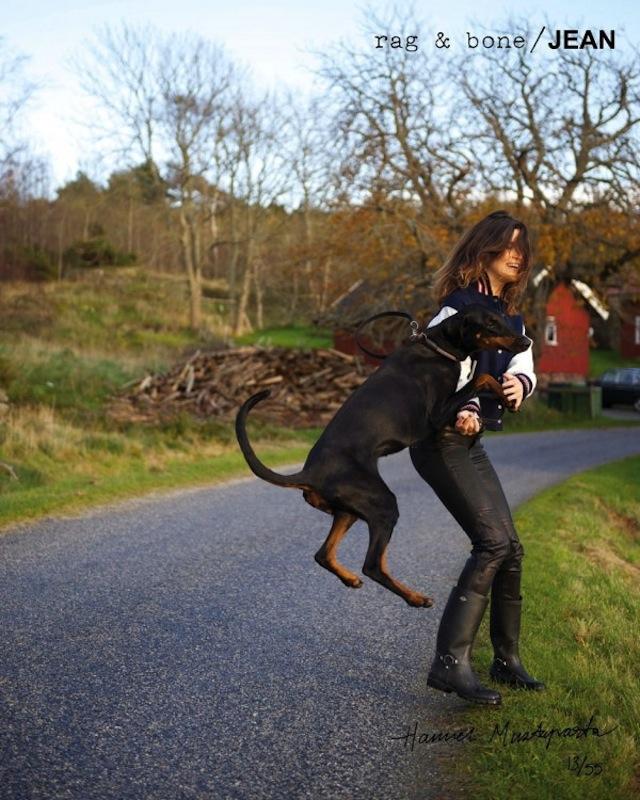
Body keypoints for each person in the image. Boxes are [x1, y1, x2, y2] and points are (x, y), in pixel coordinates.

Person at [409, 210, 545, 706]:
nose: (517, 256)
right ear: (483, 249)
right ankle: (450, 665)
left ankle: (506, 661)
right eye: (507, 246)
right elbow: (443, 367)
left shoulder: (511, 318)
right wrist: (468, 402)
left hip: (470, 441)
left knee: (511, 548)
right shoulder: (457, 308)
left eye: (521, 249)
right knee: (491, 543)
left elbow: (525, 361)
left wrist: (519, 384)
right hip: (440, 438)